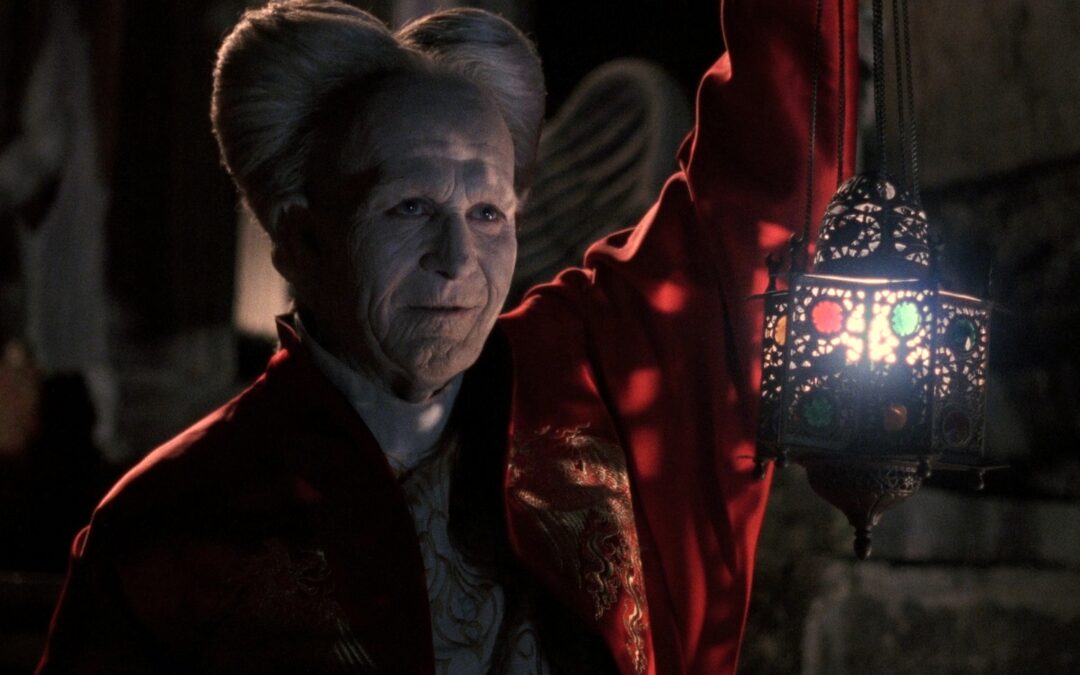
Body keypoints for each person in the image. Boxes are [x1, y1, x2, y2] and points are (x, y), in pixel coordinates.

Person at [37, 0, 857, 673]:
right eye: (409, 208)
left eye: (488, 212)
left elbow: (774, 161)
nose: (458, 259)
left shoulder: (593, 373)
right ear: (300, 239)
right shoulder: (169, 527)